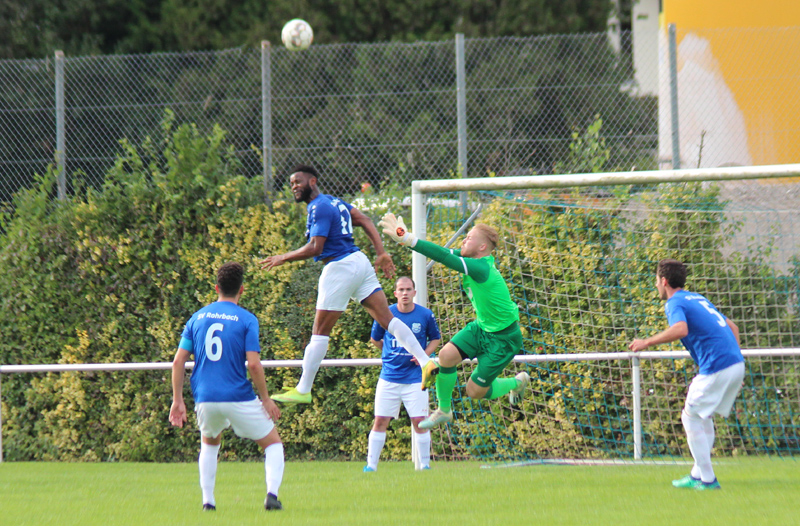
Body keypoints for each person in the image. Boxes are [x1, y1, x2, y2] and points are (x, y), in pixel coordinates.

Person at [260, 165, 432, 404]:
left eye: (298, 181)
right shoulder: (336, 202)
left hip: (340, 266)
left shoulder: (318, 206)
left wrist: (283, 257)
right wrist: (380, 252)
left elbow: (315, 248)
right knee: (389, 321)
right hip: (359, 262)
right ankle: (426, 361)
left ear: (313, 181)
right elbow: (364, 219)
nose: (294, 187)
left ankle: (303, 389)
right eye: (291, 183)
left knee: (320, 332)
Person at [378, 214, 530, 430]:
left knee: (474, 391)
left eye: (469, 238)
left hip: (504, 338)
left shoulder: (481, 267)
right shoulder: (473, 261)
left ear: (482, 247)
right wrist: (406, 239)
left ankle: (517, 382)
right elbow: (444, 253)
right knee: (446, 356)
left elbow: (443, 256)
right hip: (482, 327)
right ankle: (444, 410)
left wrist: (407, 238)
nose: (463, 241)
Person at [169, 262, 285, 511]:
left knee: (210, 443)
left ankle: (208, 502)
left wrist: (177, 400)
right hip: (238, 396)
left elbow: (178, 361)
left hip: (205, 397)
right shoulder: (247, 319)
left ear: (216, 288)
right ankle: (271, 496)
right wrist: (265, 399)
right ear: (241, 289)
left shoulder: (197, 317)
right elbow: (253, 365)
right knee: (273, 444)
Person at [629, 258, 744, 491]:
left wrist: (646, 342)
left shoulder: (674, 303)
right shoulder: (697, 298)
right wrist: (736, 364)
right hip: (734, 363)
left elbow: (680, 329)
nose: (656, 287)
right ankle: (696, 473)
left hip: (717, 366)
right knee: (702, 416)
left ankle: (708, 479)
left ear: (663, 281)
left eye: (656, 281)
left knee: (689, 417)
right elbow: (733, 328)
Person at [364, 276, 441, 472]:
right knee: (380, 420)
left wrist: (423, 355)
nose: (405, 293)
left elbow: (435, 339)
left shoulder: (425, 315)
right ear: (395, 293)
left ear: (414, 292)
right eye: (401, 289)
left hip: (416, 378)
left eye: (408, 289)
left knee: (420, 422)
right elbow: (375, 339)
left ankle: (424, 465)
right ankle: (371, 466)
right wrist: (389, 354)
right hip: (389, 377)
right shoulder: (386, 313)